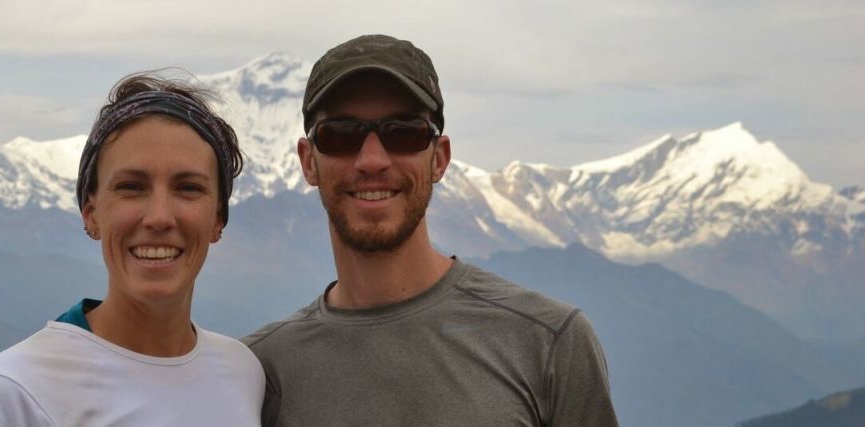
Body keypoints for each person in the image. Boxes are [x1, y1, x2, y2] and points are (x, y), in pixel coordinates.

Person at [242, 35, 619, 426]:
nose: (372, 159)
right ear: (308, 161)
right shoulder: (257, 375)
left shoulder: (547, 342)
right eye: (341, 134)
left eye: (403, 132)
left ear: (439, 159)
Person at [0, 72, 264, 426]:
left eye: (188, 188)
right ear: (91, 214)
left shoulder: (244, 373)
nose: (159, 217)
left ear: (217, 219)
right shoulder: (18, 390)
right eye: (131, 187)